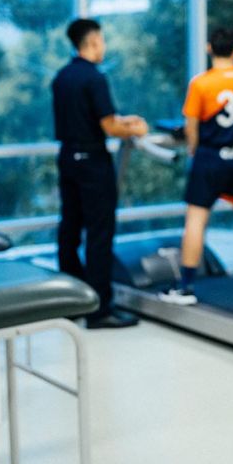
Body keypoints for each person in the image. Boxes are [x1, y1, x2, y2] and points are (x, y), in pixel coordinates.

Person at [160, 28, 233, 305]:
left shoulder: (201, 84)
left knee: (196, 221)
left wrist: (193, 149)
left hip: (209, 159)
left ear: (210, 48)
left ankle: (185, 287)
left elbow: (192, 127)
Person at [52, 18, 149, 329]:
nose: (103, 47)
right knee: (99, 233)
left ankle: (70, 300)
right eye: (102, 41)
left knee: (69, 227)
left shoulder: (62, 77)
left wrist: (124, 120)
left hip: (68, 157)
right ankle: (99, 309)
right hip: (93, 161)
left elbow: (90, 116)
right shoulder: (94, 78)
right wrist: (137, 127)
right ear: (92, 42)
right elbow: (108, 126)